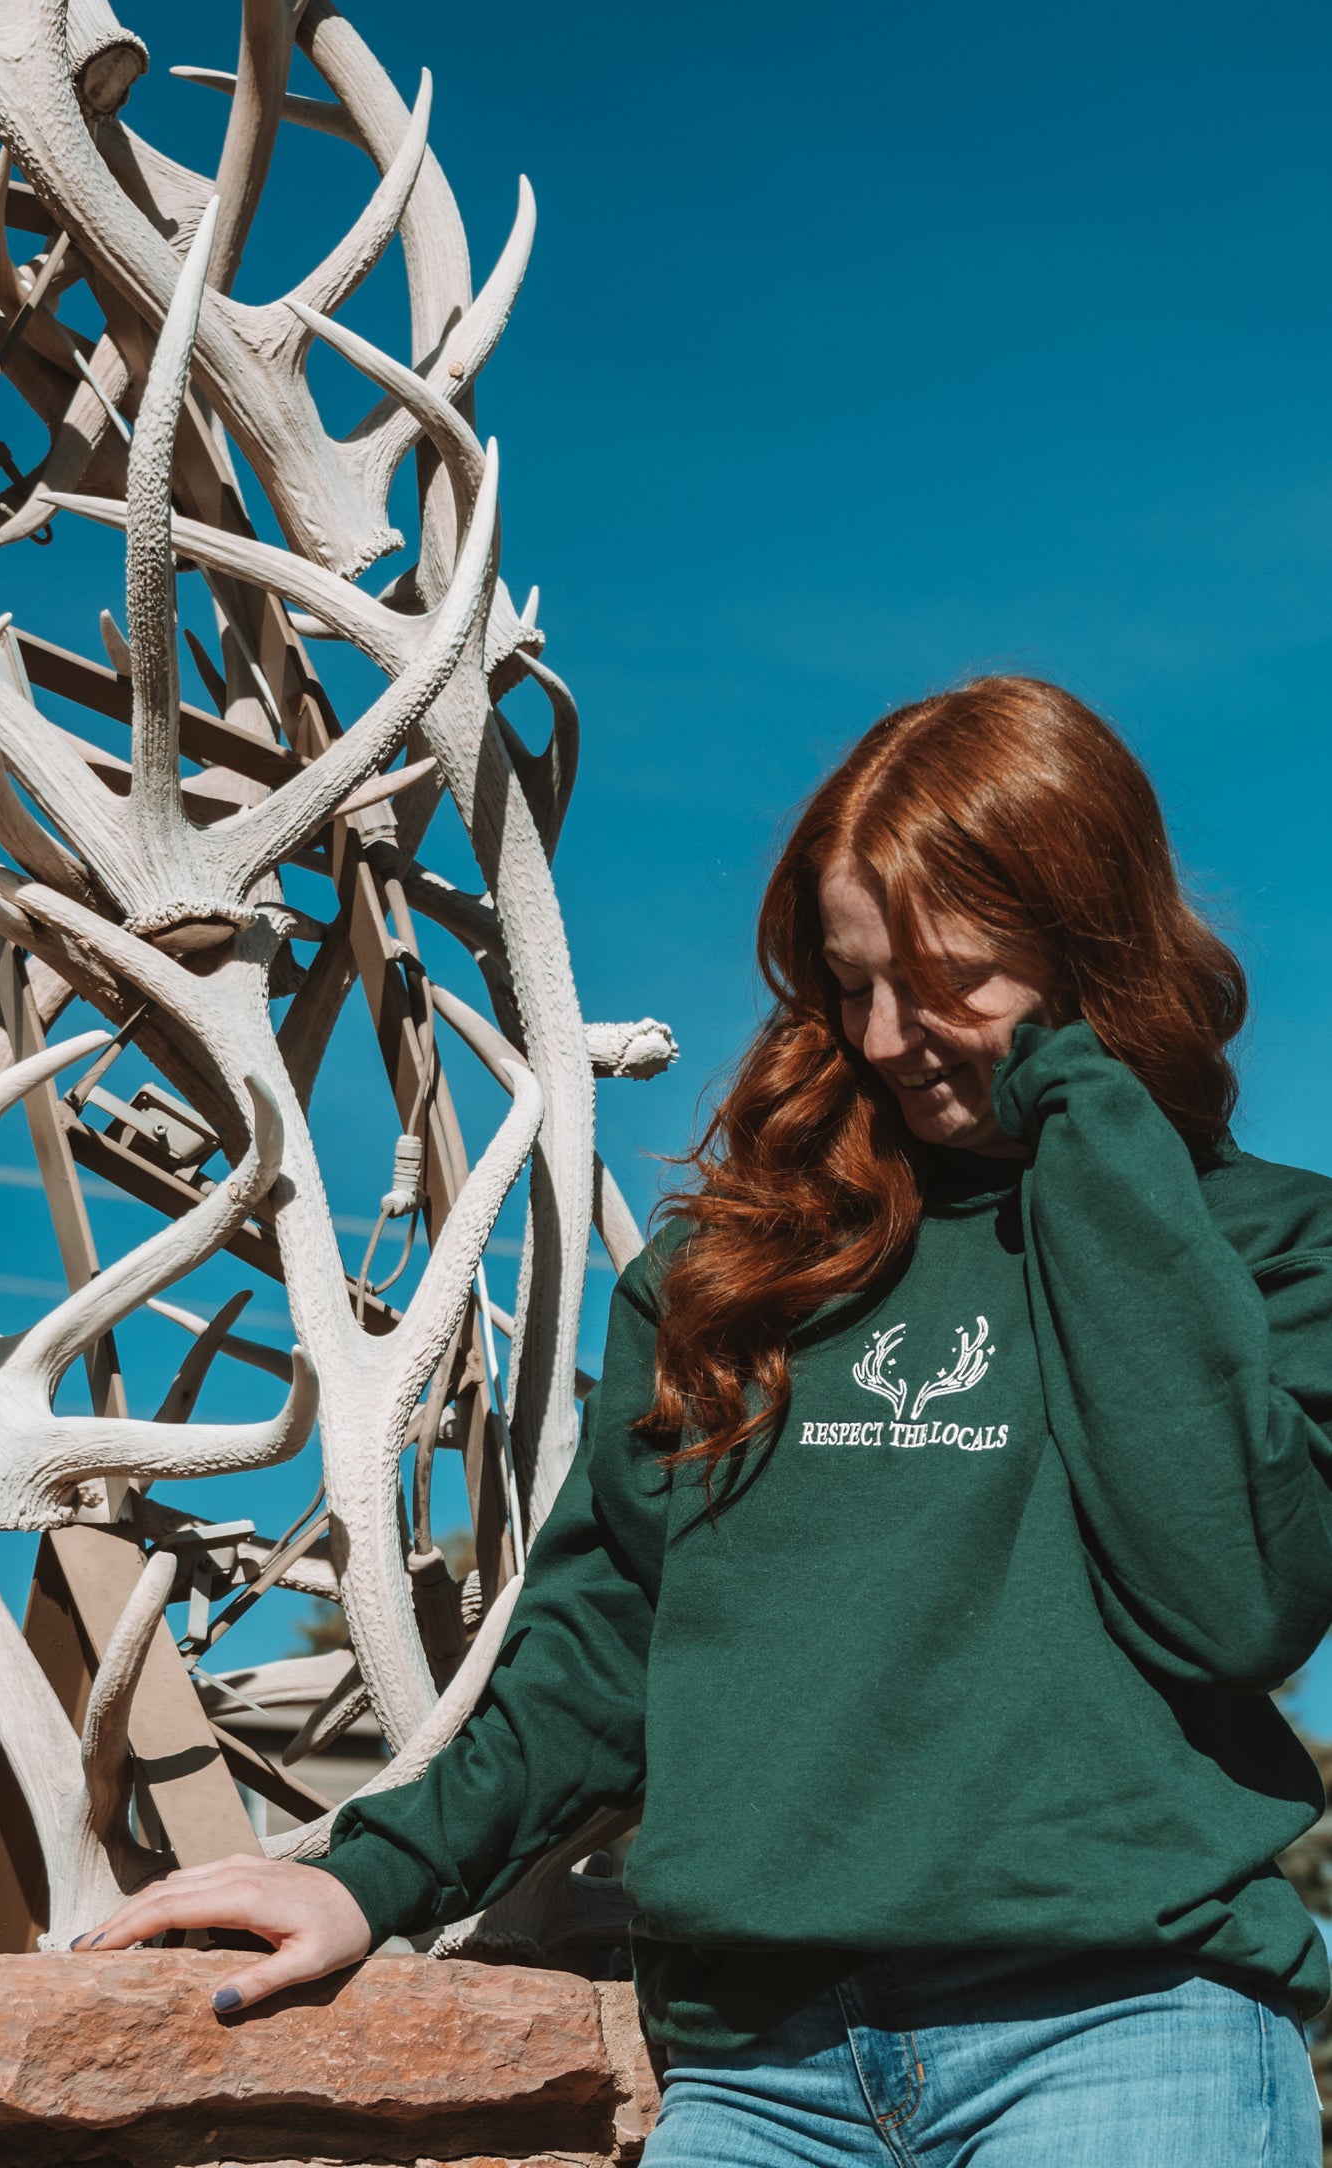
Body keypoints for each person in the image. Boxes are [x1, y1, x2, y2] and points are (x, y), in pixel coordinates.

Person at [77, 676, 1332, 2165]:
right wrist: (373, 1874)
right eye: (849, 982)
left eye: (945, 980)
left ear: (1079, 936)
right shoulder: (729, 1271)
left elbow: (1237, 1599)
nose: (884, 1036)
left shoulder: (1261, 1245)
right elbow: (603, 1642)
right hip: (760, 2077)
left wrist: (1090, 1115)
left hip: (1127, 2036)